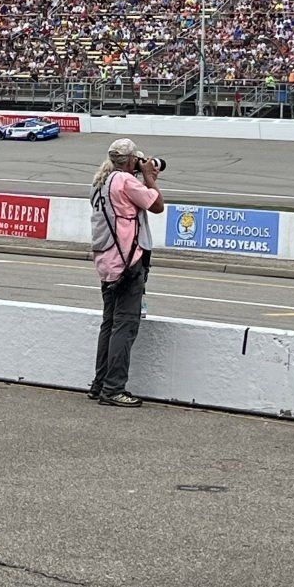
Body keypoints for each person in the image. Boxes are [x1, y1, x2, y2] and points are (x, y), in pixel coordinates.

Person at [87, 138, 165, 407]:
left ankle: (99, 384)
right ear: (131, 160)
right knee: (125, 326)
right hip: (128, 262)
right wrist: (149, 177)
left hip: (107, 262)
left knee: (109, 324)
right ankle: (113, 388)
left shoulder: (100, 183)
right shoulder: (125, 181)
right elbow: (157, 205)